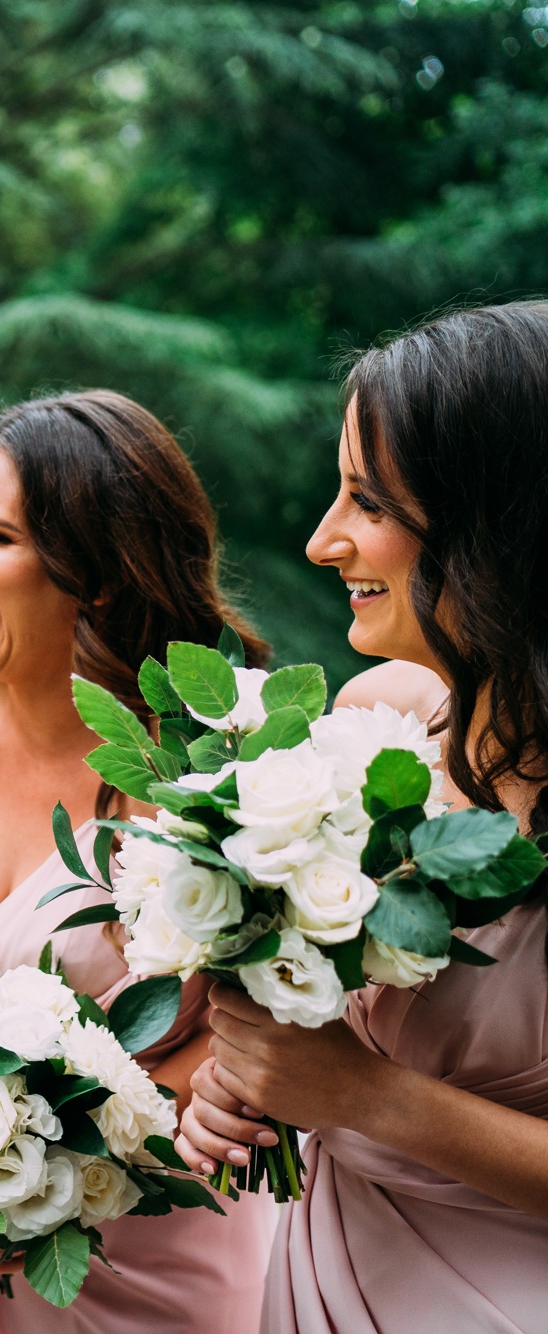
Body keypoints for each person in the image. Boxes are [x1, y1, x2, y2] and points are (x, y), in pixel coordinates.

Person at [177, 301, 548, 1333]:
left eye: (365, 501)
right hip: (318, 1282)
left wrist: (364, 1097)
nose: (318, 539)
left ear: (497, 514)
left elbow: (362, 1082)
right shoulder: (372, 728)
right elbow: (325, 1045)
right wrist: (245, 1079)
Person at [0, 391, 279, 1332]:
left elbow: (260, 1026)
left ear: (95, 575)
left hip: (163, 1250)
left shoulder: (215, 756)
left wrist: (59, 1168)